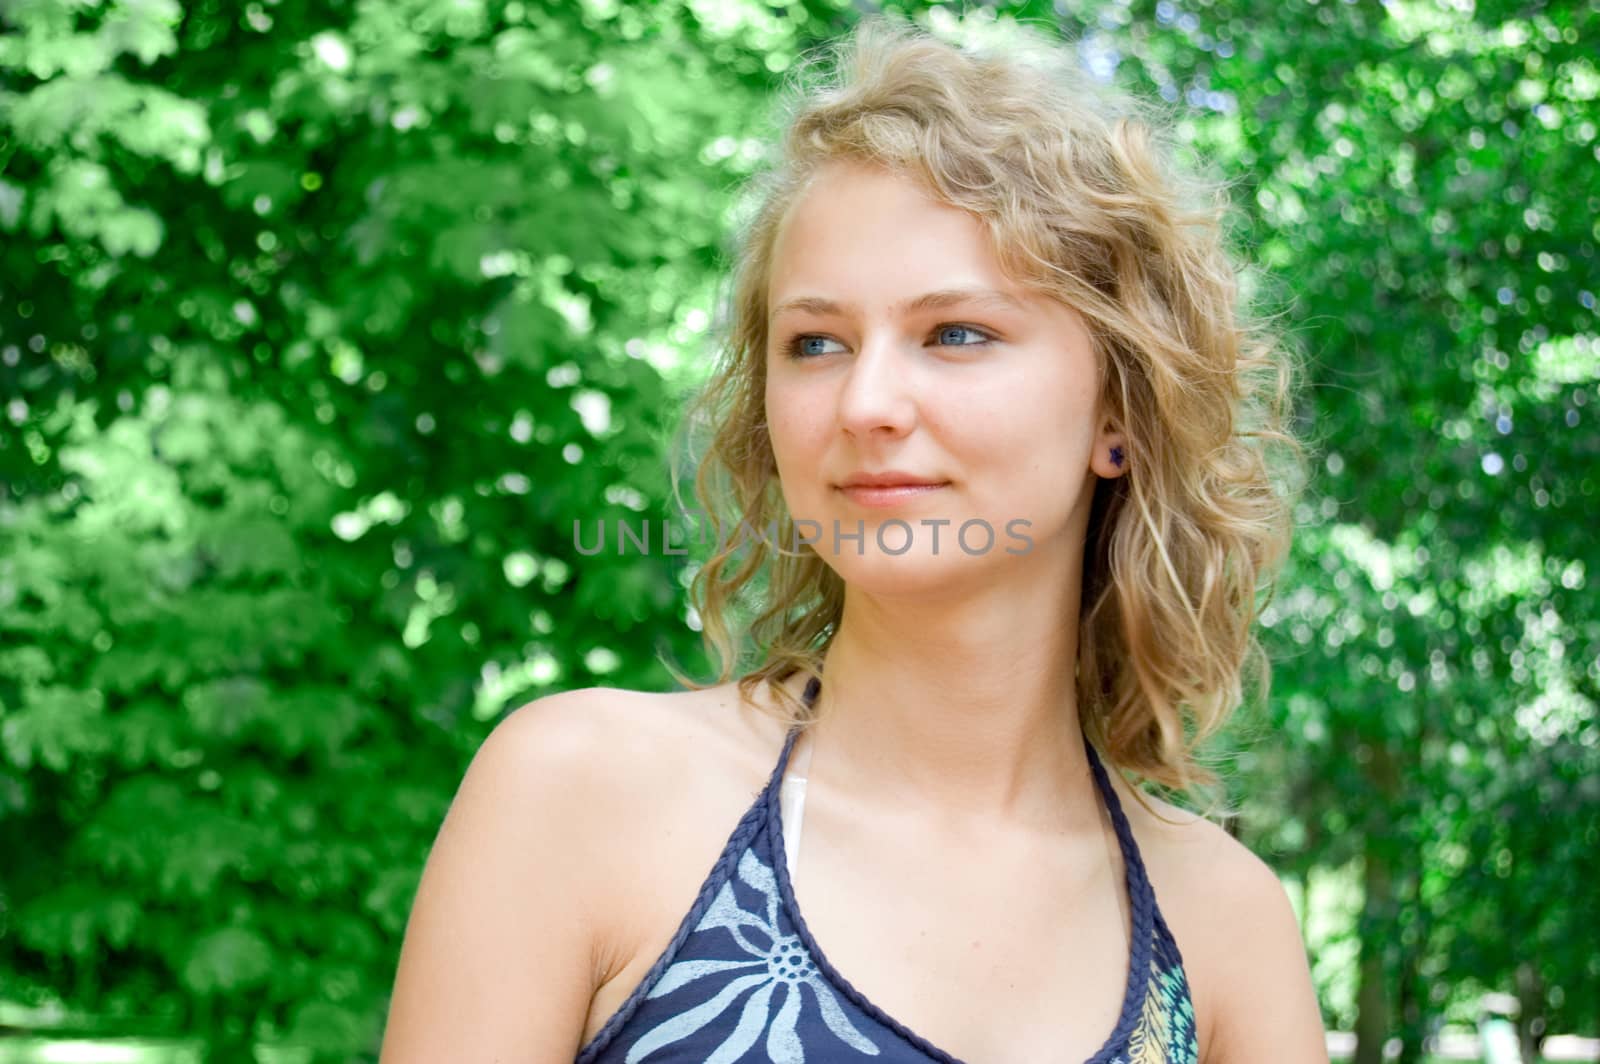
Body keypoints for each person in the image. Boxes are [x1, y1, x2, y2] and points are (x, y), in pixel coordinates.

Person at [380, 13, 1327, 1063]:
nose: (866, 401)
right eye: (816, 342)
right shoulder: (582, 792)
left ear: (1118, 411)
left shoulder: (1223, 929)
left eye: (954, 333)